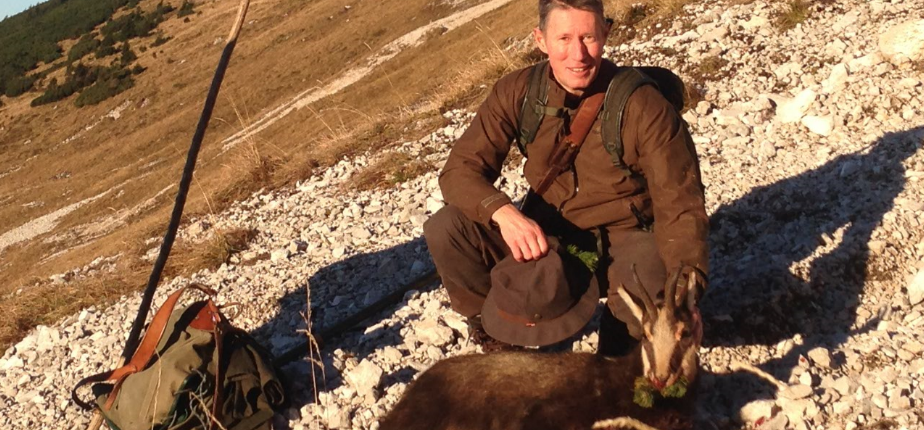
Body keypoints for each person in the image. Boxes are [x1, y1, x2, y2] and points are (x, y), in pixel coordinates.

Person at [423, 0, 708, 355]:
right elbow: (458, 171)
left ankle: (618, 358)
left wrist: (686, 297)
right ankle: (497, 339)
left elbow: (681, 207)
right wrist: (504, 214)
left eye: (588, 37)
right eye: (564, 38)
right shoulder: (518, 92)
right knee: (447, 227)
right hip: (549, 236)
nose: (578, 55)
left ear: (606, 33)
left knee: (647, 303)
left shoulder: (644, 106)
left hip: (624, 238)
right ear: (540, 40)